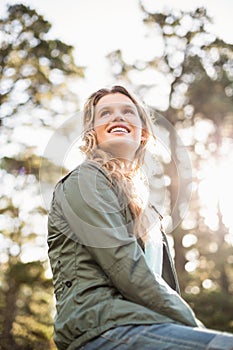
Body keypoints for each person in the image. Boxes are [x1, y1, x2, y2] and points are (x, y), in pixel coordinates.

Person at [47, 85, 233, 350]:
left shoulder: (149, 213)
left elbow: (161, 285)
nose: (118, 117)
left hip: (148, 325)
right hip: (102, 329)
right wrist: (193, 326)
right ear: (91, 133)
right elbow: (125, 267)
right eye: (105, 113)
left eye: (127, 112)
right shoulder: (84, 181)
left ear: (143, 133)